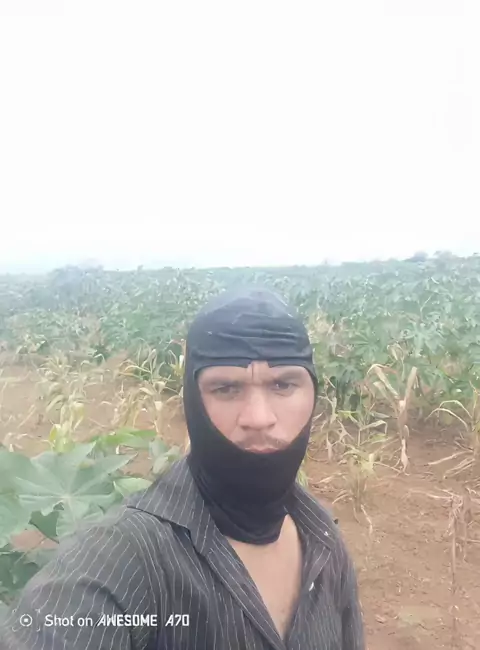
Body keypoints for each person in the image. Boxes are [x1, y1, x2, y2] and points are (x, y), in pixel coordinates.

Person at [1, 287, 365, 649]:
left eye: (283, 385)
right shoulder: (122, 558)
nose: (258, 418)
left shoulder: (322, 537)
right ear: (191, 400)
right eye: (226, 388)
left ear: (313, 392)